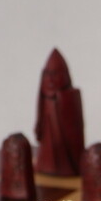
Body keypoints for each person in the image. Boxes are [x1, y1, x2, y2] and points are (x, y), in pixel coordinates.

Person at [34, 48, 84, 176]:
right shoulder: (44, 98)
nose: (50, 80)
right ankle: (46, 165)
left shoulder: (70, 96)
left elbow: (74, 128)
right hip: (47, 136)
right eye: (47, 74)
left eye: (55, 74)